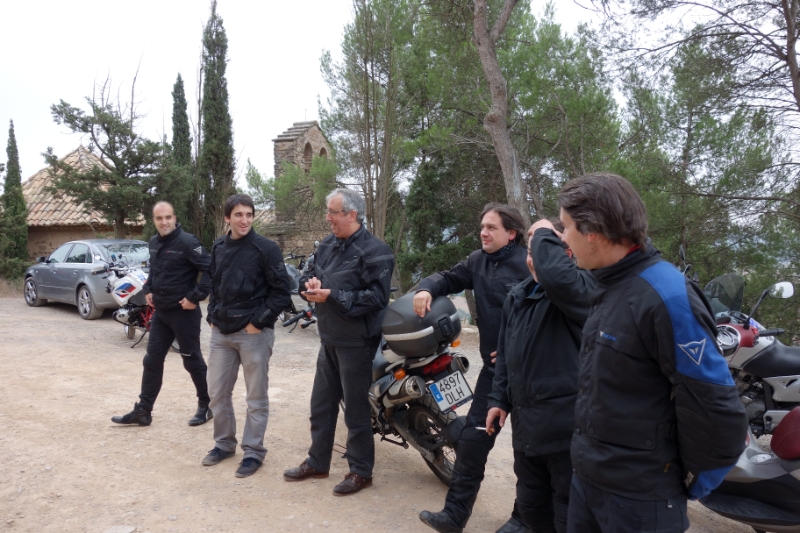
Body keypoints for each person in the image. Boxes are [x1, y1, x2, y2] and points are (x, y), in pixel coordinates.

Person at [557, 173, 749, 533]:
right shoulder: (608, 283)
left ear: (592, 232)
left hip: (641, 501)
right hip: (589, 483)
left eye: (566, 227)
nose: (563, 238)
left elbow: (718, 411)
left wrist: (689, 482)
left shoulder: (667, 295)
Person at [417, 204, 531, 533]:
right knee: (472, 442)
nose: (483, 232)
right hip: (494, 374)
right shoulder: (477, 261)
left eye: (491, 227)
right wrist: (425, 287)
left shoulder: (529, 264)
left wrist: (515, 350)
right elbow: (448, 278)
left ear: (511, 233)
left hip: (529, 373)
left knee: (528, 451)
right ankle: (454, 516)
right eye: (482, 226)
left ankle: (523, 520)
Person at [485, 219, 595, 533]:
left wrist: (547, 235)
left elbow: (560, 280)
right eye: (530, 254)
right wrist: (499, 399)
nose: (533, 261)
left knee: (567, 515)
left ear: (564, 255)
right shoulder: (518, 295)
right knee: (532, 509)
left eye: (542, 253)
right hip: (527, 431)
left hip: (565, 433)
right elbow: (505, 353)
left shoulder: (577, 293)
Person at [283, 188, 394, 496]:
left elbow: (377, 298)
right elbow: (307, 274)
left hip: (357, 341)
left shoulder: (376, 250)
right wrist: (309, 285)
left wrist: (333, 296)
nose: (328, 218)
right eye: (328, 212)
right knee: (321, 405)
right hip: (329, 337)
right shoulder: (328, 245)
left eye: (333, 212)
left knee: (356, 411)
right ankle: (317, 462)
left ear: (352, 215)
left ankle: (361, 471)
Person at [201, 194, 291, 478]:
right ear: (227, 218)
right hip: (221, 333)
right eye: (238, 215)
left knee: (255, 397)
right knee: (217, 393)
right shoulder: (219, 246)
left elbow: (281, 292)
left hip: (254, 335)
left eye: (249, 215)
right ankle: (224, 445)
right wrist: (211, 316)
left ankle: (253, 452)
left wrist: (257, 323)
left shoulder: (266, 248)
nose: (244, 220)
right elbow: (213, 284)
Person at [112, 201, 212, 427]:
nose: (164, 222)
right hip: (161, 313)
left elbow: (210, 269)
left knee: (192, 360)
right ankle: (143, 410)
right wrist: (148, 289)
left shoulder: (188, 242)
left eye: (168, 217)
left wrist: (195, 297)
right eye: (159, 218)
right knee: (152, 359)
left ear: (174, 218)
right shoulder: (154, 243)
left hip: (184, 314)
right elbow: (155, 271)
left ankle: (207, 405)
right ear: (154, 220)